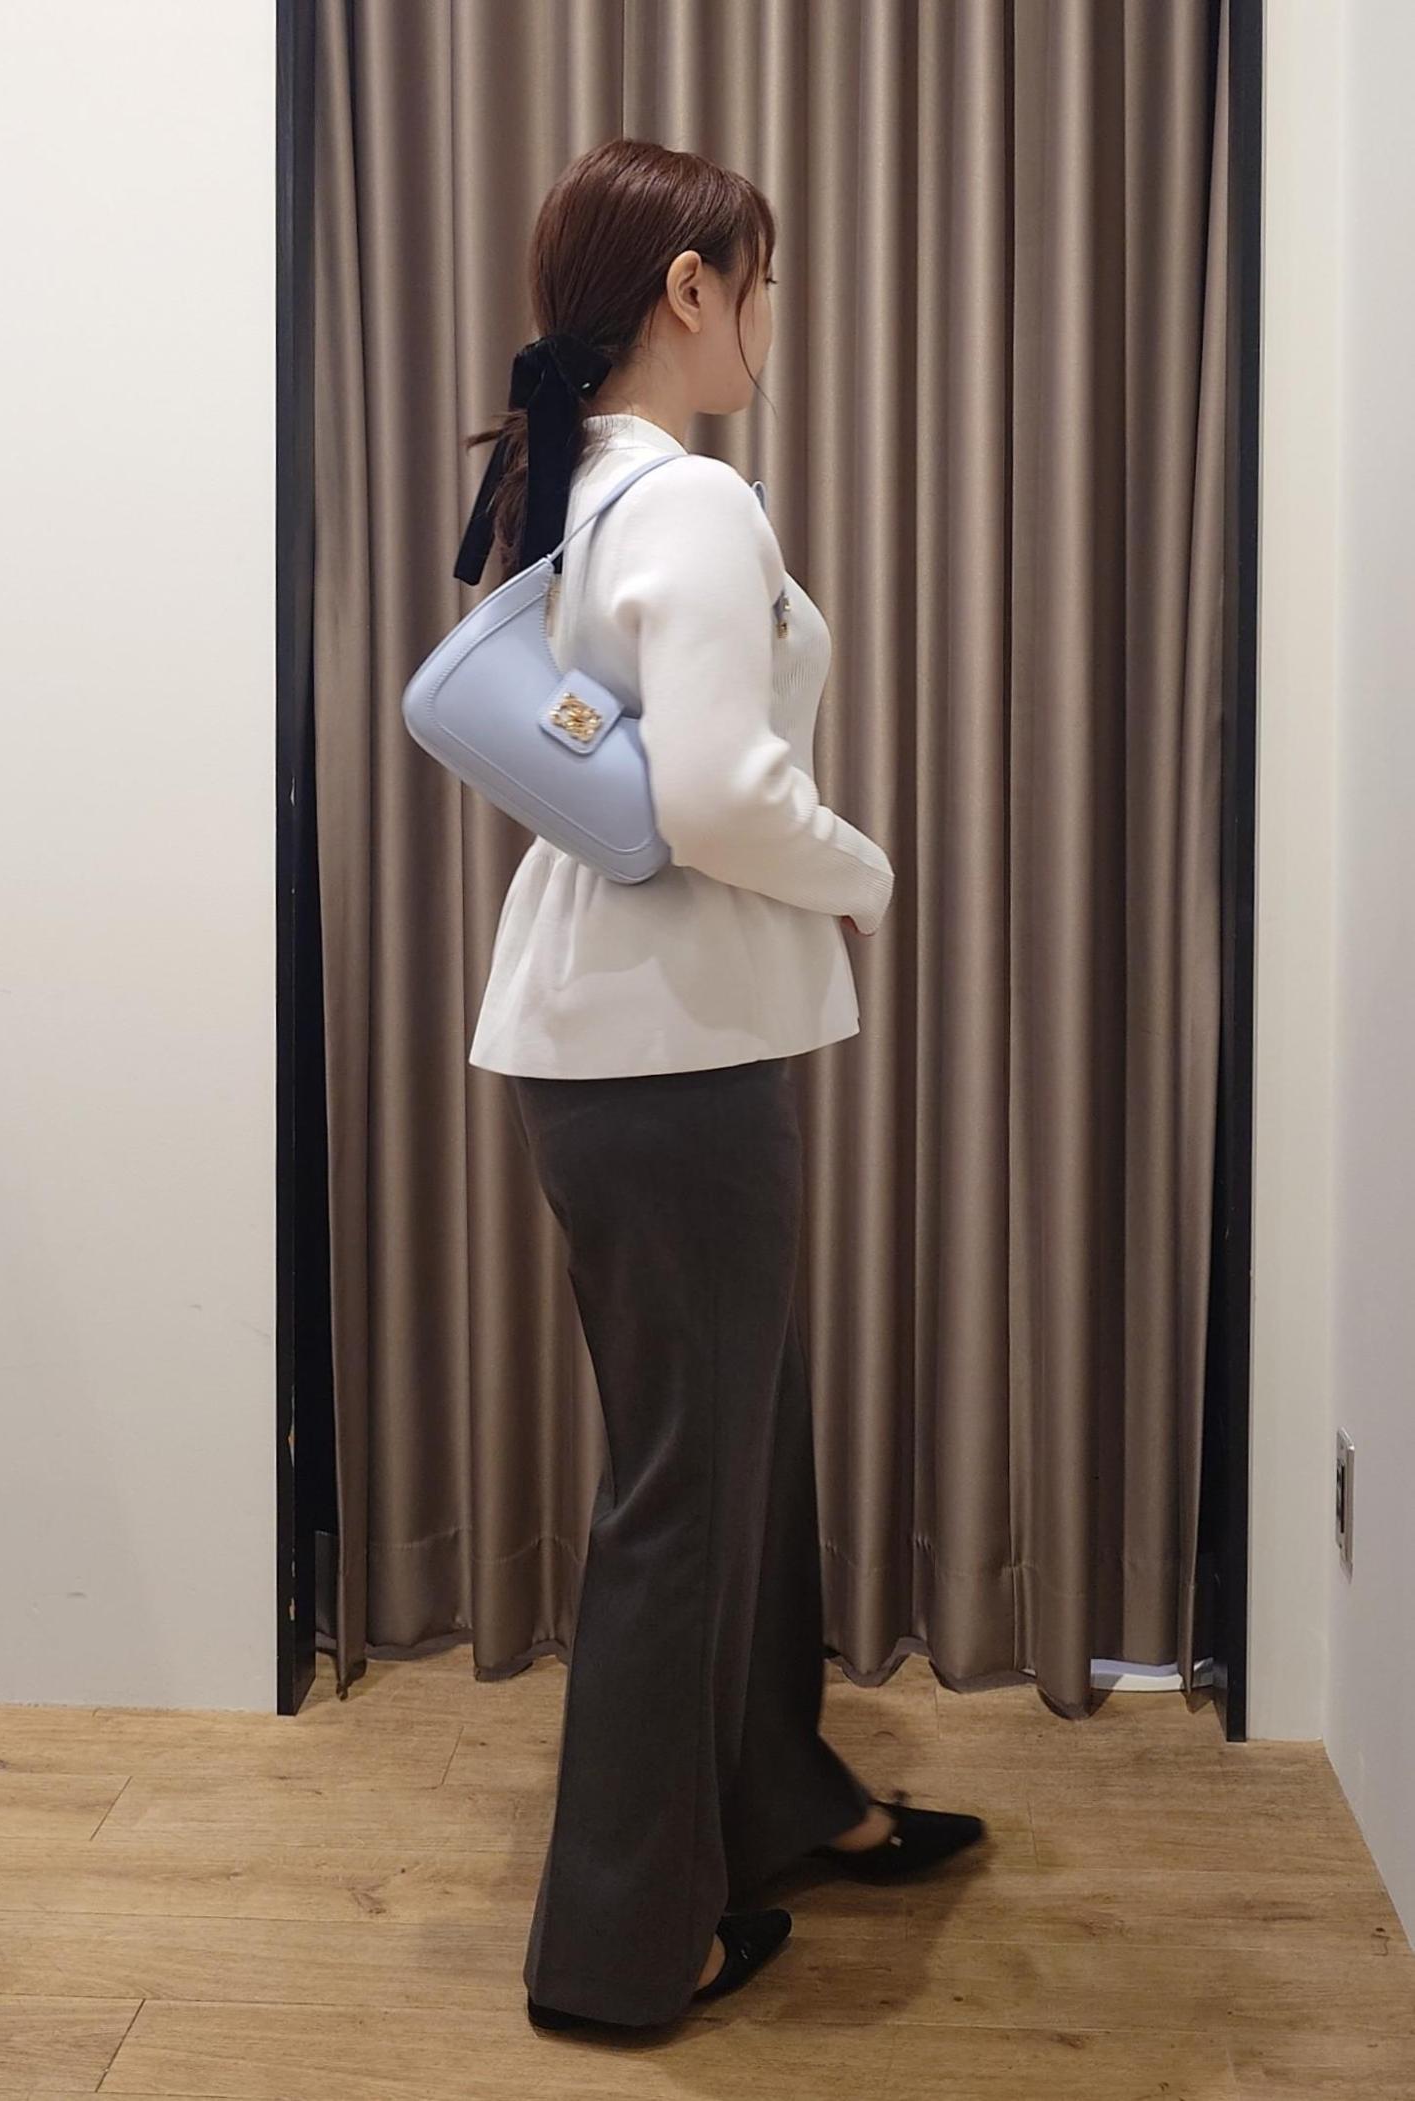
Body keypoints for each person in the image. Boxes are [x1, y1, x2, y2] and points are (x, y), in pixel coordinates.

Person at [455, 137, 978, 2036]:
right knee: (688, 1485)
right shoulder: (684, 498)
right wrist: (869, 874)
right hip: (667, 1055)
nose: (769, 320)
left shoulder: (592, 487)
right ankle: (618, 1945)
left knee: (745, 1448)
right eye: (758, 285)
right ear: (691, 290)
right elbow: (717, 793)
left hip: (645, 1046)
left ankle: (770, 1795)